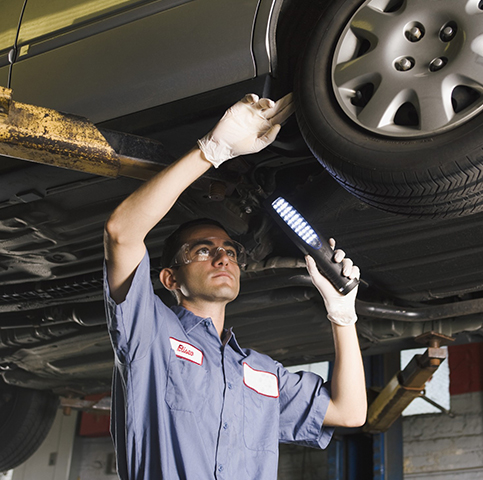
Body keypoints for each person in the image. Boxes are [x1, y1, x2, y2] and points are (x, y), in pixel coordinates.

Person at [103, 93, 367, 479]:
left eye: (229, 249)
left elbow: (350, 412)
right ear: (170, 278)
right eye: (203, 250)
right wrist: (213, 150)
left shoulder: (260, 373)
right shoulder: (152, 333)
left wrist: (343, 316)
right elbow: (121, 233)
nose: (222, 256)